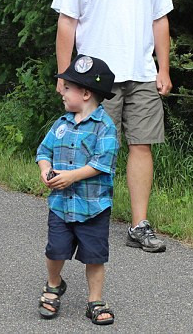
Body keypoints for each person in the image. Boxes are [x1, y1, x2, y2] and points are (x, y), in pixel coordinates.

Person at [52, 0, 173, 252]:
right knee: (90, 146)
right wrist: (65, 73)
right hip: (94, 78)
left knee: (141, 144)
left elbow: (160, 20)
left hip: (141, 73)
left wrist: (163, 69)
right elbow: (67, 23)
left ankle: (139, 225)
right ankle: (82, 219)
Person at [36, 55, 118, 325]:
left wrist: (71, 176)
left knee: (94, 256)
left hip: (93, 206)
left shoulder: (104, 127)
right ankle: (53, 285)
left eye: (67, 87)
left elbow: (101, 163)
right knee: (55, 250)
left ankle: (95, 300)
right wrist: (45, 170)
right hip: (61, 205)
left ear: (85, 93)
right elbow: (43, 151)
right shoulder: (61, 124)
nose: (62, 91)